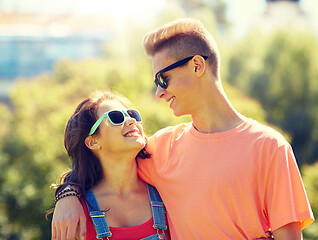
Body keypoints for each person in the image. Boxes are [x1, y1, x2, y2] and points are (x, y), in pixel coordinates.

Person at [52, 19, 314, 240]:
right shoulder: (161, 148)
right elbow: (105, 166)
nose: (159, 92)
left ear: (197, 66)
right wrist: (67, 195)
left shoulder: (269, 147)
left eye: (163, 79)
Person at [51, 90, 170, 240]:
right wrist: (66, 195)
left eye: (132, 114)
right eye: (116, 118)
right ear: (93, 142)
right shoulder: (77, 214)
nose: (131, 121)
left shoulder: (166, 190)